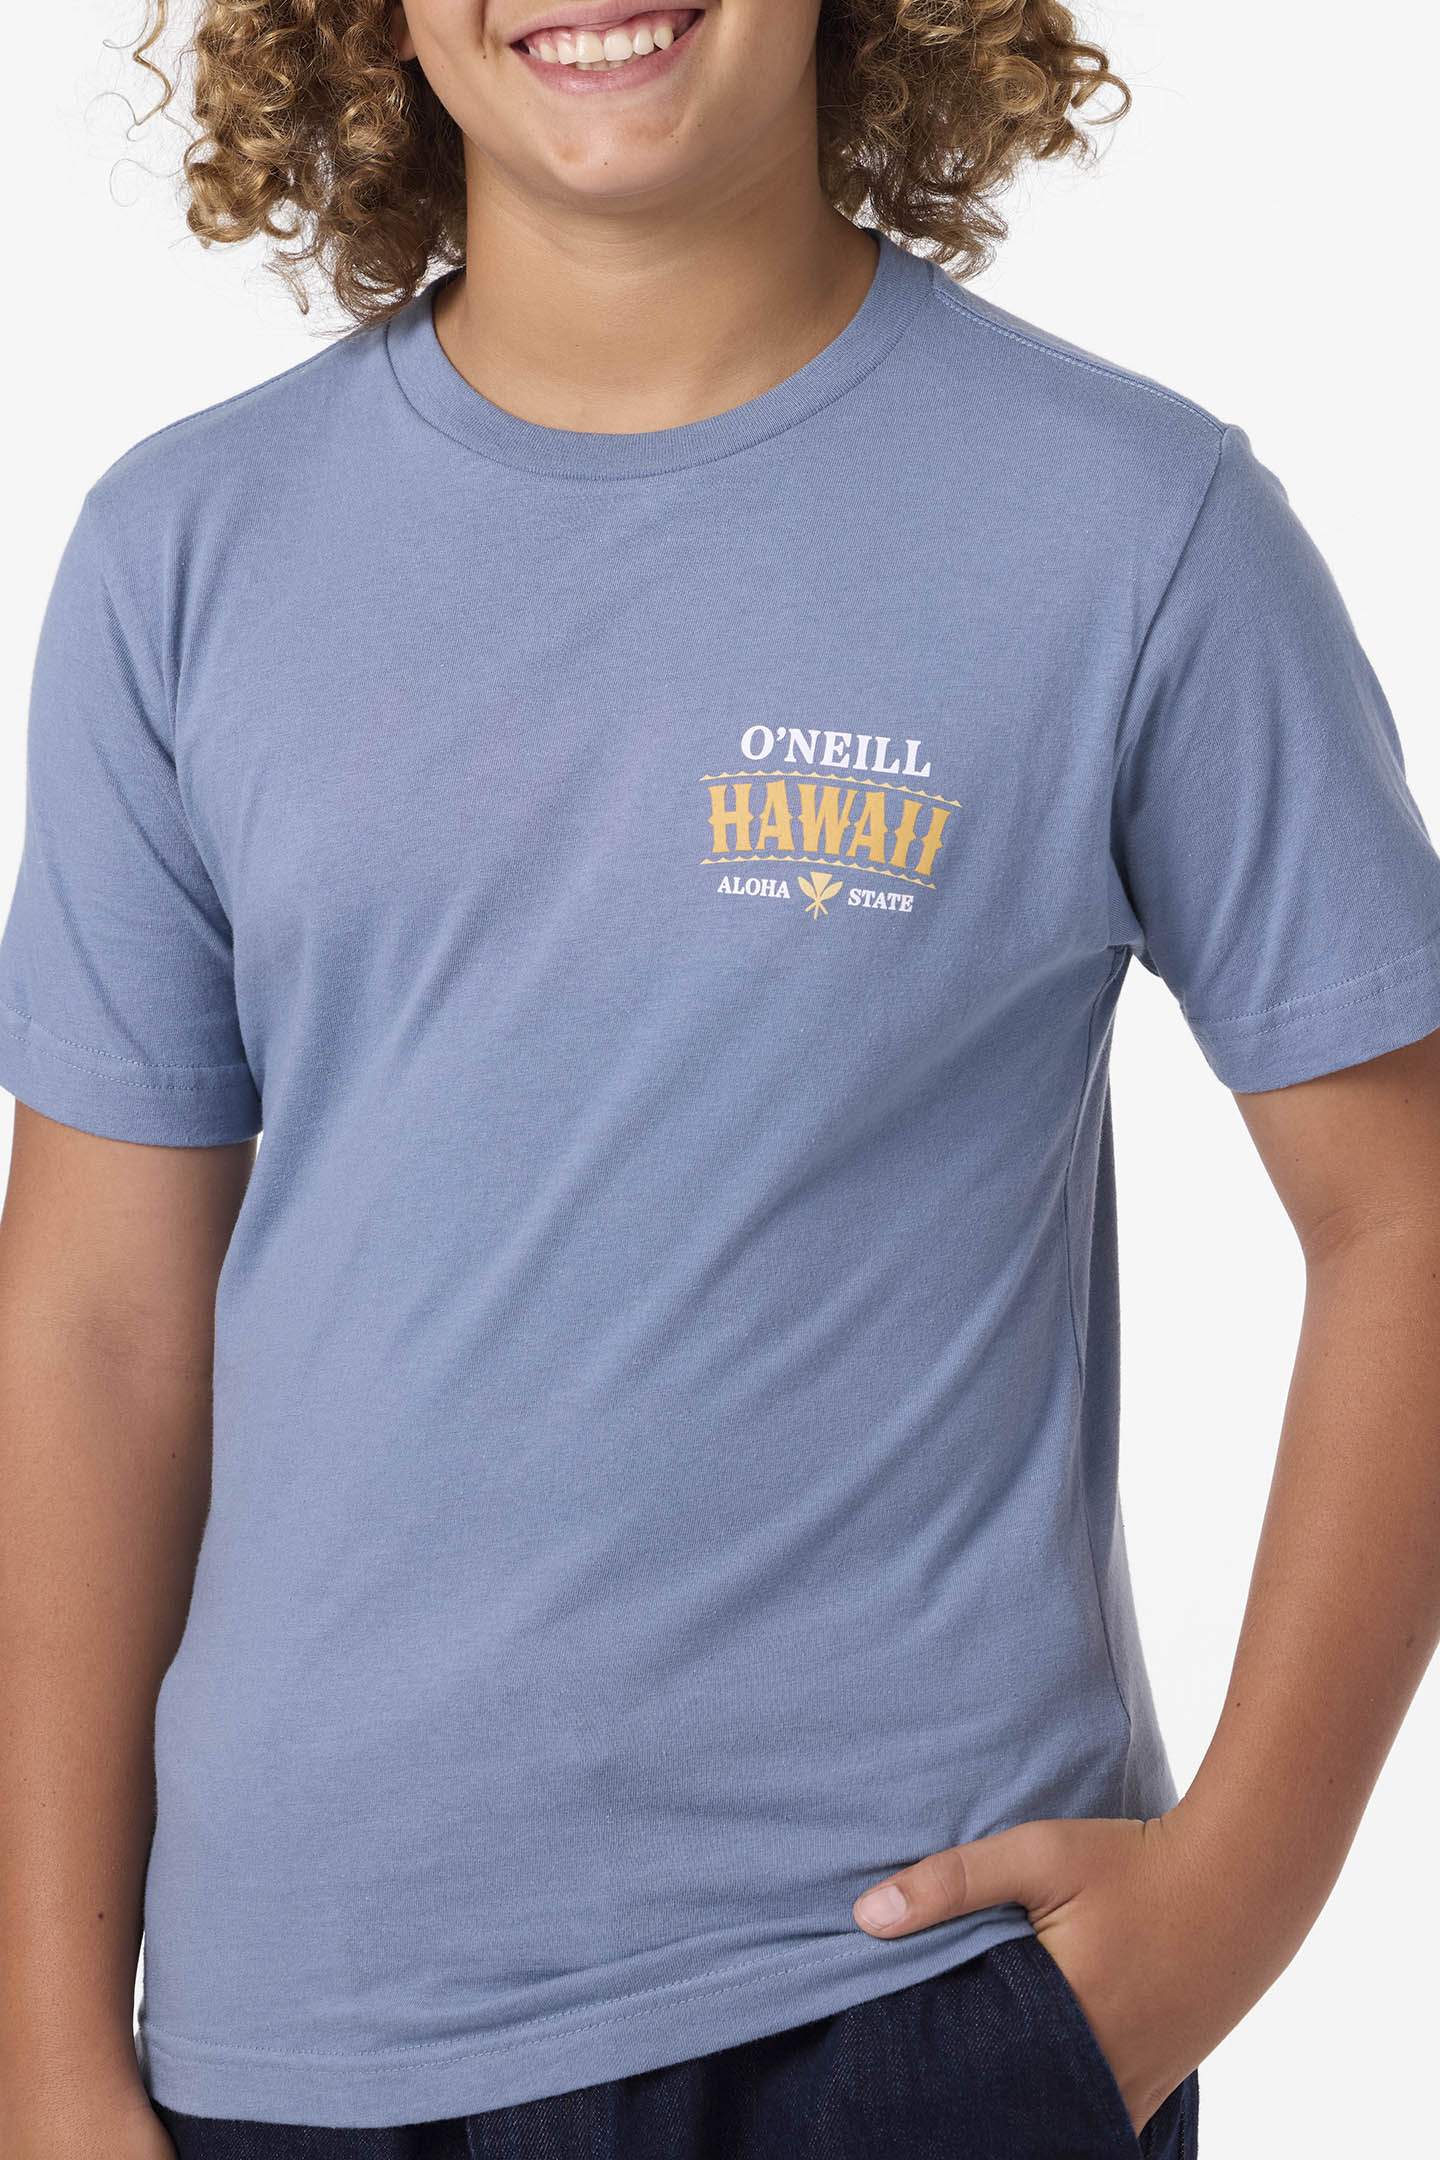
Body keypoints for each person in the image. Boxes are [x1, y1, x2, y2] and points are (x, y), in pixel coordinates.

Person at [1, 2, 1438, 2155]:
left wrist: (1230, 1903)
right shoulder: (182, 551)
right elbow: (99, 1327)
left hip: (898, 1999)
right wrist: (40, 2044)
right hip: (295, 2032)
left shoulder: (1137, 523)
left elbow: (1404, 1209)